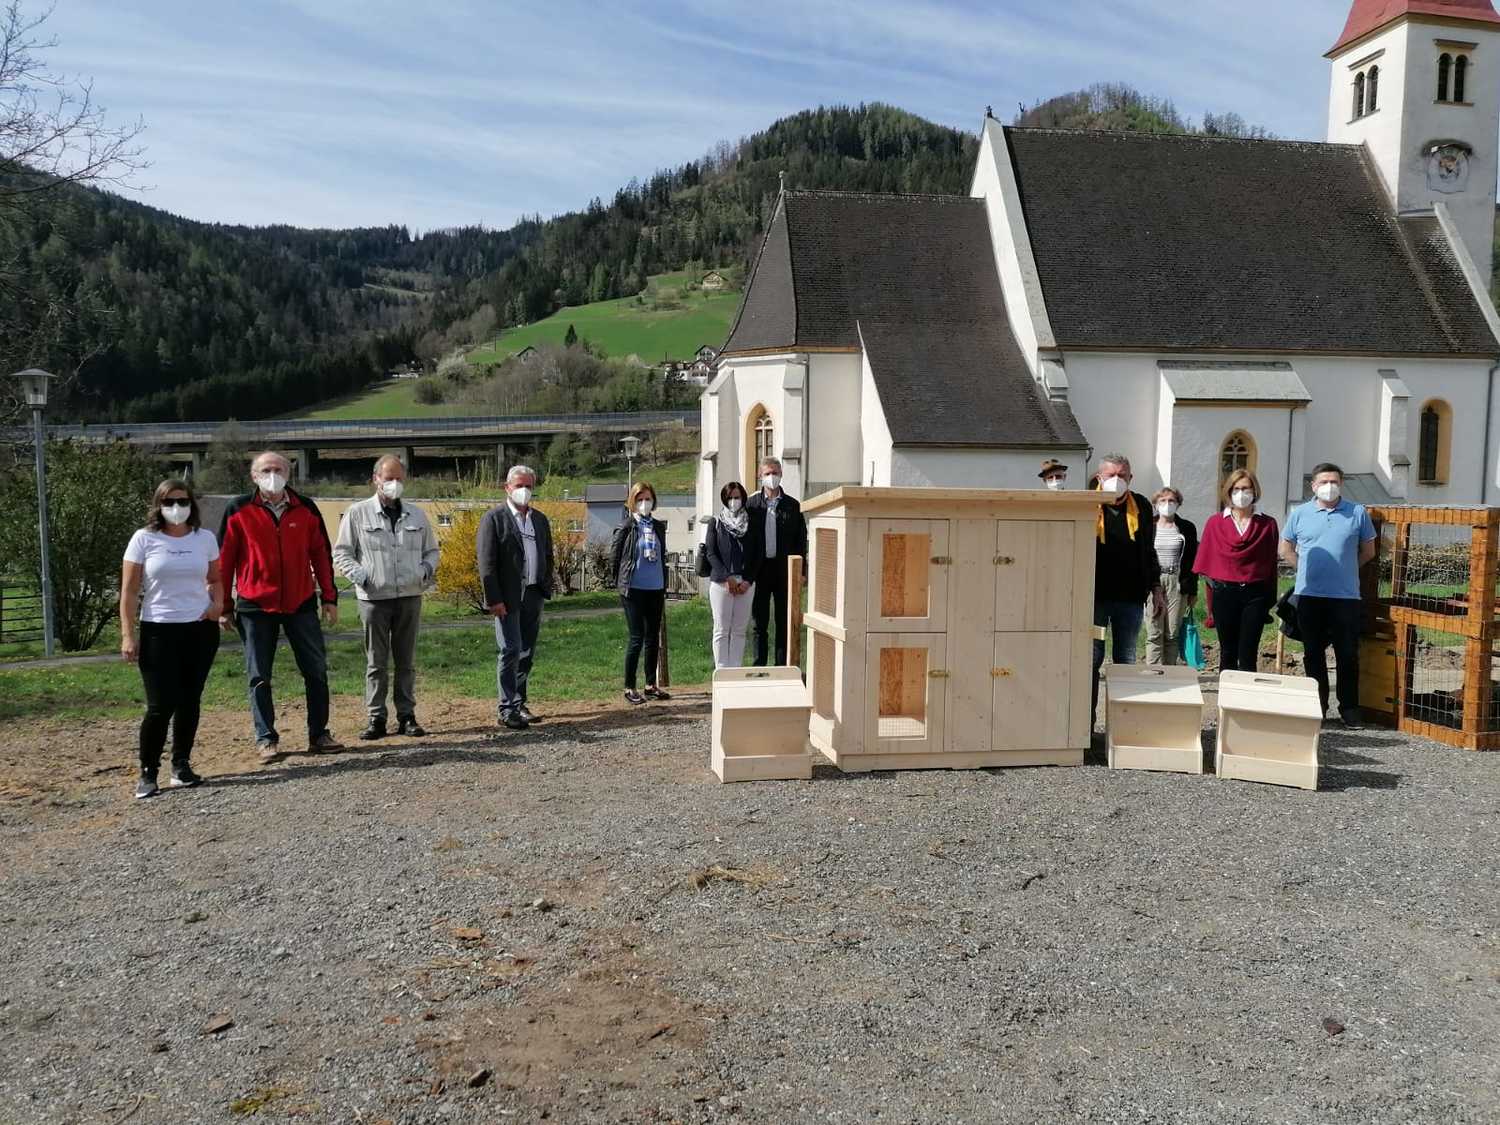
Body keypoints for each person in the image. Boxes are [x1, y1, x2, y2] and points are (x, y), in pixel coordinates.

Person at [218, 452, 341, 762]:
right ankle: (266, 738)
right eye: (265, 470)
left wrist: (329, 598)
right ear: (254, 476)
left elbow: (321, 554)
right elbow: (224, 562)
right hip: (254, 605)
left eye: (278, 469)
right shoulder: (238, 509)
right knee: (259, 675)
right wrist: (224, 606)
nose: (272, 474)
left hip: (301, 603)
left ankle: (319, 734)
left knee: (316, 670)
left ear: (288, 474)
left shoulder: (306, 508)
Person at [120, 480, 223, 798]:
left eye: (182, 500)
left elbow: (215, 578)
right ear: (158, 505)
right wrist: (128, 635)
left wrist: (217, 605)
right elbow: (129, 591)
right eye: (169, 502)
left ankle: (181, 765)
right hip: (159, 630)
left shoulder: (204, 538)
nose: (176, 507)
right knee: (160, 705)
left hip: (199, 629)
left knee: (190, 700)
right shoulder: (144, 539)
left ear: (192, 504)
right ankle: (148, 772)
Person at [333, 455, 440, 741]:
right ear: (375, 479)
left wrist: (423, 572)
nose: (394, 483)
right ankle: (376, 718)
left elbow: (432, 551)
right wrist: (361, 576)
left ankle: (407, 716)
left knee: (406, 662)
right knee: (376, 663)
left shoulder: (417, 515)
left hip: (409, 597)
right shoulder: (357, 513)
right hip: (373, 600)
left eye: (399, 479)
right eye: (389, 478)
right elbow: (342, 552)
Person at [1280, 463, 1377, 728]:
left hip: (1346, 597)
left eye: (1334, 481)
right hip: (1309, 596)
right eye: (1323, 482)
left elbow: (1368, 551)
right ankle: (1317, 706)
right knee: (1313, 653)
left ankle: (1349, 709)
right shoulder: (1300, 514)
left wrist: (1346, 570)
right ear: (1313, 486)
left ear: (1341, 484)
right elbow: (1286, 548)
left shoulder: (1357, 513)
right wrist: (1304, 569)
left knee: (1347, 654)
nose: (1329, 486)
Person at [478, 465, 554, 730]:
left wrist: (545, 583)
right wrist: (494, 599)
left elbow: (547, 554)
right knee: (510, 649)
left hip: (533, 593)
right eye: (519, 485)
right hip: (507, 597)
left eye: (529, 486)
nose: (524, 490)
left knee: (526, 651)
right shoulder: (494, 519)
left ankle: (520, 702)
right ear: (507, 488)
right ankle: (506, 707)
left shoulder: (539, 519)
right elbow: (487, 563)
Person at [1090, 454, 1165, 724]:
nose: (1117, 480)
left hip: (1131, 599)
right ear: (1099, 477)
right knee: (1091, 660)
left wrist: (1156, 587)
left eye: (1122, 475)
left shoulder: (1142, 506)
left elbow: (1149, 550)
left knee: (1125, 661)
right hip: (1095, 599)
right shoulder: (1086, 504)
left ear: (1130, 478)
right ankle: (1087, 727)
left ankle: (1121, 726)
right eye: (1111, 475)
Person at [1194, 470, 1280, 674]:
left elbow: (1270, 564)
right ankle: (1226, 693)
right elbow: (1206, 562)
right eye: (1237, 489)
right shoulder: (1215, 522)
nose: (1241, 493)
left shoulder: (1267, 524)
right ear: (1229, 492)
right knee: (1227, 652)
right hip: (1224, 593)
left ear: (1254, 491)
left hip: (1255, 594)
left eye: (1246, 488)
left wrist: (1269, 598)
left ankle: (1246, 694)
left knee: (1248, 653)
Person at [612, 481, 672, 704]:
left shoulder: (658, 527)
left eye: (648, 499)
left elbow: (662, 555)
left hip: (655, 587)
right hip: (633, 589)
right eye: (640, 499)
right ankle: (629, 687)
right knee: (636, 637)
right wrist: (619, 583)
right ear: (633, 502)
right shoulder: (626, 526)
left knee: (652, 637)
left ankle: (650, 685)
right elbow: (615, 557)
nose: (644, 503)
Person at [746, 457, 807, 666]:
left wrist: (802, 571)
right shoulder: (752, 505)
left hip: (785, 572)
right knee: (759, 623)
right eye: (767, 473)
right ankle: (759, 666)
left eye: (775, 473)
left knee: (784, 622)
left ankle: (781, 667)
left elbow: (800, 541)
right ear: (760, 476)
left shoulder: (793, 505)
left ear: (781, 474)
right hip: (760, 571)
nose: (771, 477)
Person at [704, 480, 764, 669]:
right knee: (721, 629)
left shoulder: (752, 522)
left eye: (737, 497)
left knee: (739, 630)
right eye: (730, 497)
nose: (733, 501)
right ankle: (722, 670)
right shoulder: (716, 522)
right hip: (721, 584)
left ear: (743, 498)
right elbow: (711, 553)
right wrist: (726, 578)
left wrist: (748, 580)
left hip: (746, 583)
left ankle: (735, 669)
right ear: (724, 499)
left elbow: (758, 554)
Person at [1144, 487, 1198, 665]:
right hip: (1154, 582)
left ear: (1178, 504)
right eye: (1163, 501)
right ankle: (1153, 673)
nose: (1167, 504)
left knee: (1172, 633)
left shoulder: (1187, 528)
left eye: (1171, 501)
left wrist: (1192, 590)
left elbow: (1192, 560)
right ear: (1155, 504)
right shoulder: (1148, 526)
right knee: (1154, 632)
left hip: (1177, 582)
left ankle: (1169, 672)